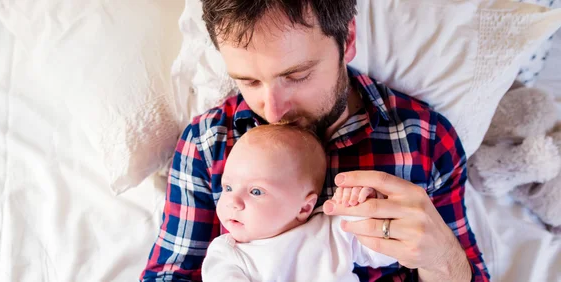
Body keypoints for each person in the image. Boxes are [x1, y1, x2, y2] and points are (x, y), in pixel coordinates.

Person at [141, 0, 490, 281]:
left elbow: (465, 270)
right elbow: (169, 275)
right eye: (249, 81)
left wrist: (443, 262)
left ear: (347, 40)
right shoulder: (208, 143)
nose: (273, 111)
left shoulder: (425, 140)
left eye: (296, 75)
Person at [201, 124, 396, 281]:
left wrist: (365, 207)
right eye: (227, 188)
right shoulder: (227, 254)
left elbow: (388, 255)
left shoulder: (333, 228)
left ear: (304, 207)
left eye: (256, 191)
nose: (233, 201)